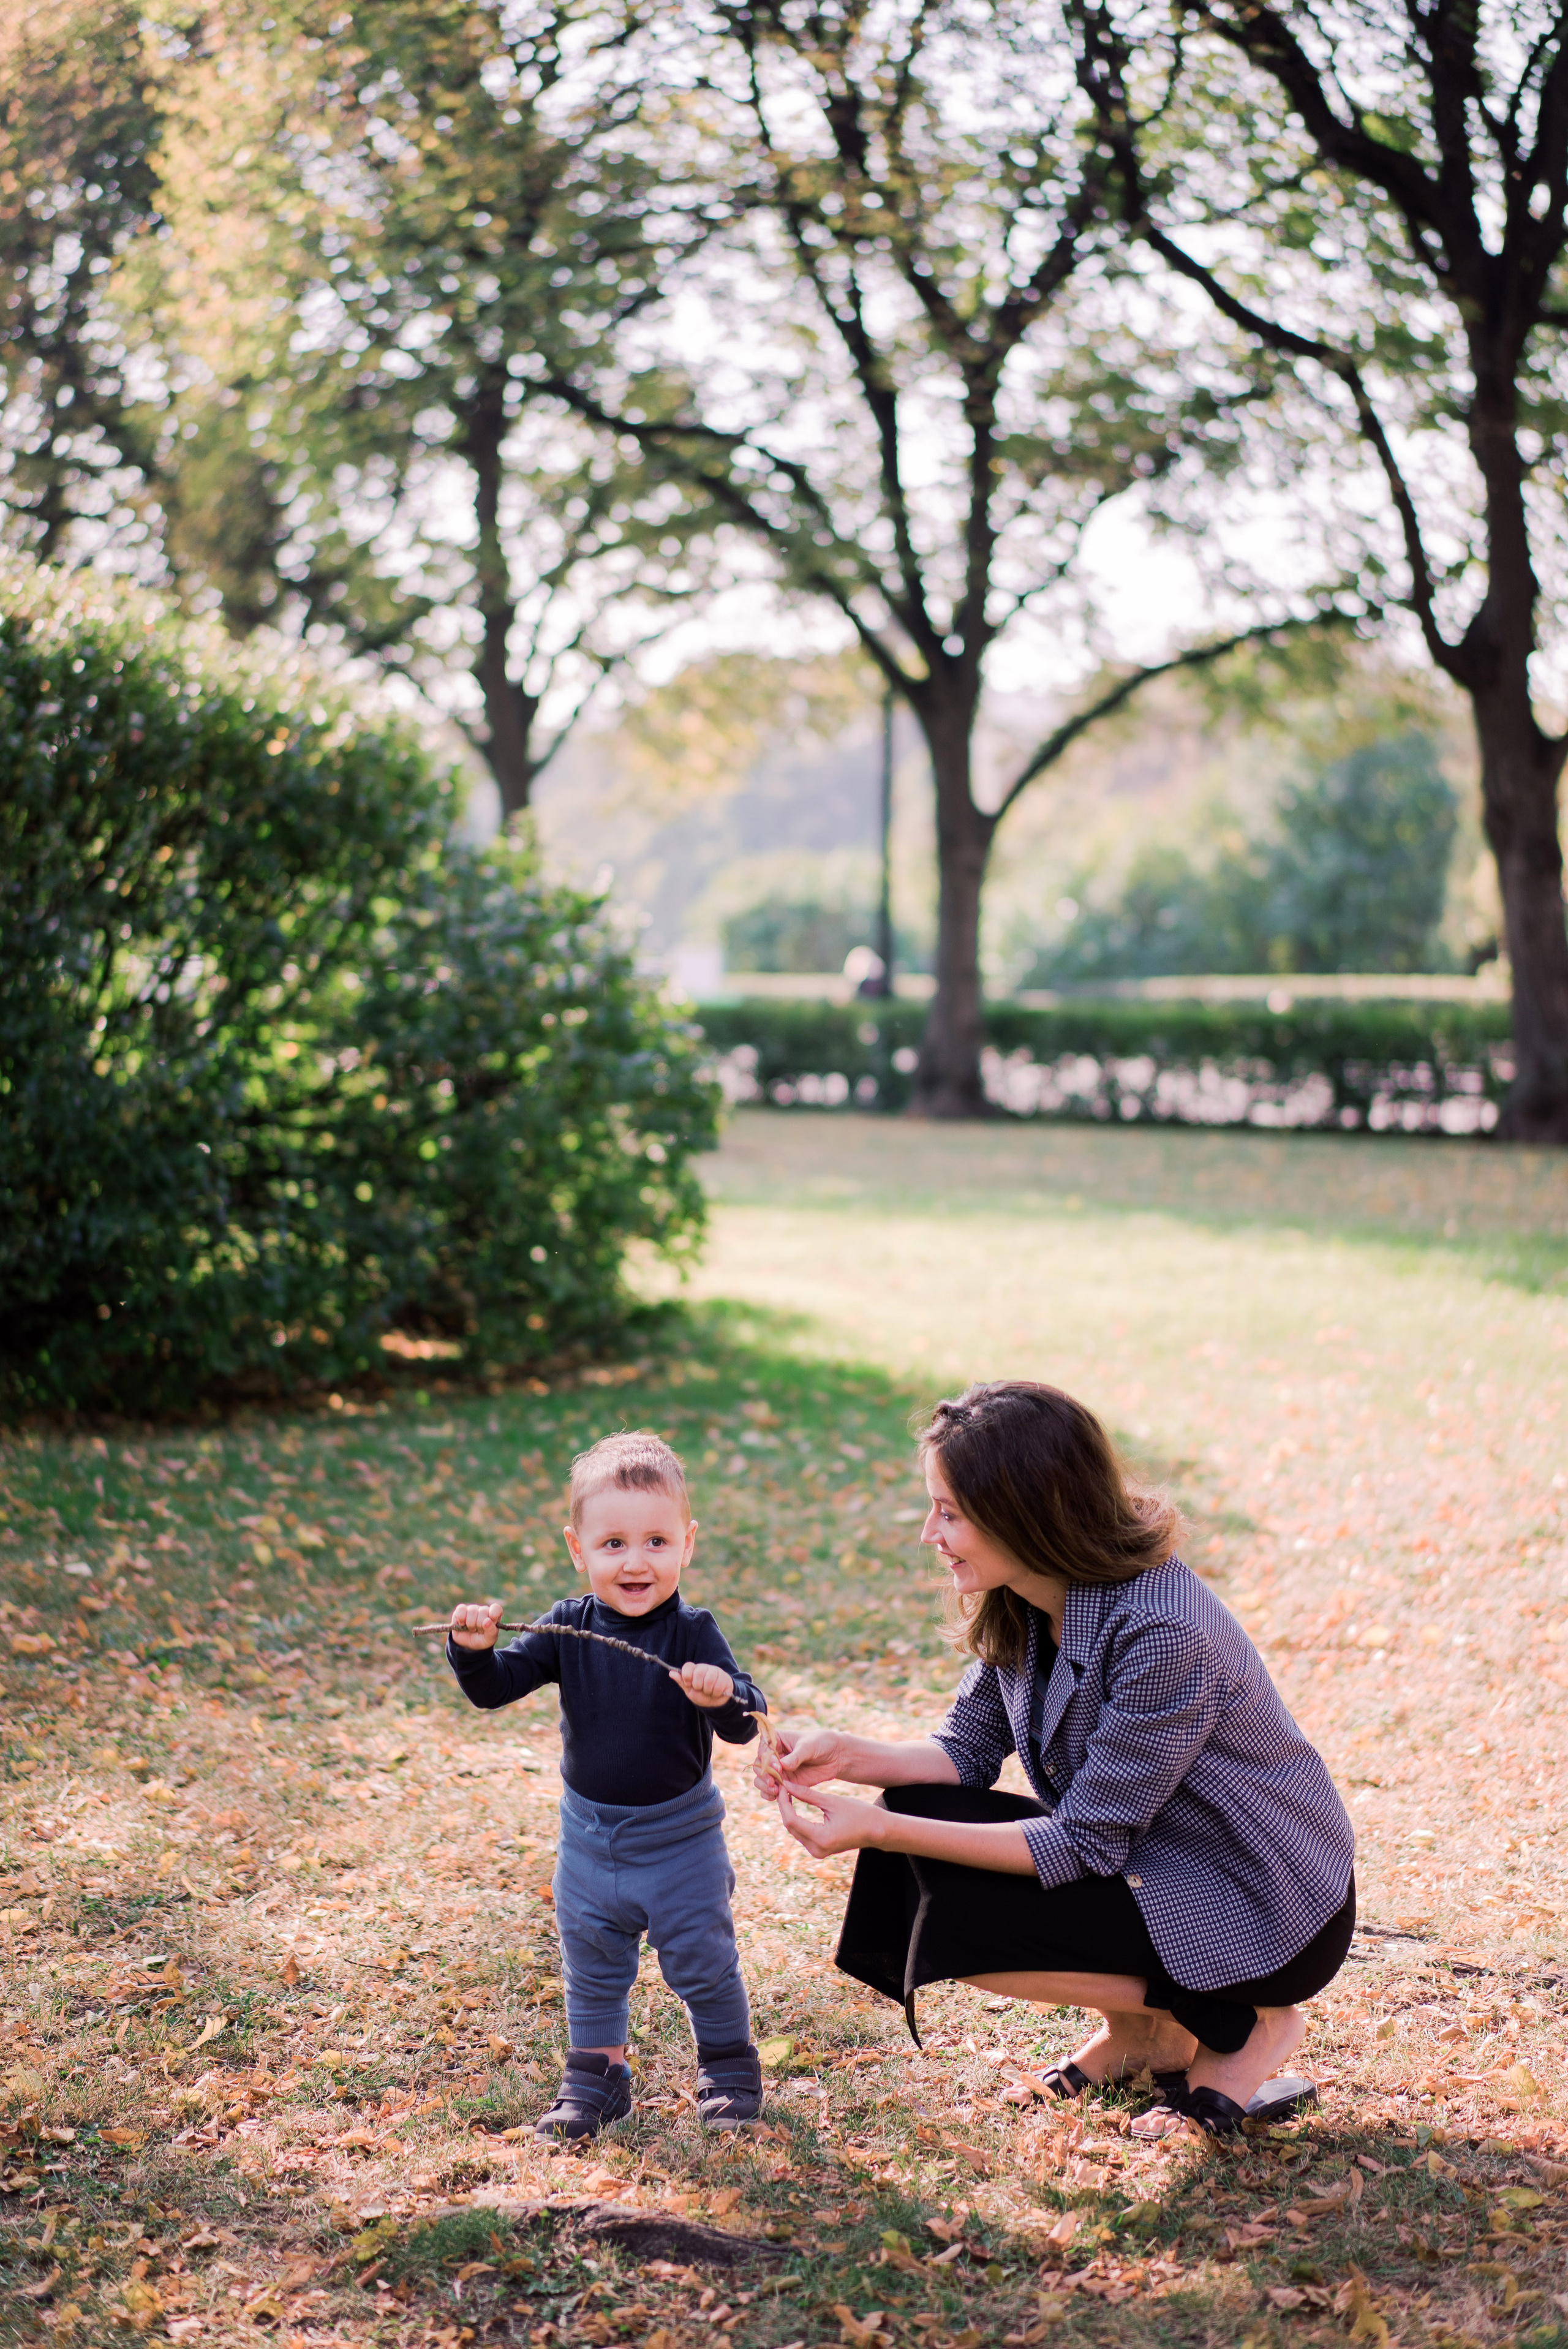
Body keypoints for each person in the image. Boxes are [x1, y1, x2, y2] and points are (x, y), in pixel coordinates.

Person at [756, 1382, 1355, 2138]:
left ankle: (1244, 2021)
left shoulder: (1161, 1630)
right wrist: (845, 1754)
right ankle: (1145, 2037)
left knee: (952, 1917)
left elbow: (1082, 1842)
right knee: (916, 1831)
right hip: (1154, 1861)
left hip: (1257, 1901)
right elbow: (964, 1752)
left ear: (1025, 1513)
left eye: (949, 1513)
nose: (927, 1534)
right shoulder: (1028, 1596)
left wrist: (879, 1830)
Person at [447, 1430, 767, 2142]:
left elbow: (747, 1724)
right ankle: (599, 2075)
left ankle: (726, 2062)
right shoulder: (567, 1625)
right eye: (613, 1543)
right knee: (591, 1962)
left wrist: (722, 1695)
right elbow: (497, 1688)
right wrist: (472, 1653)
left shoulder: (692, 1632)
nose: (635, 1561)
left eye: (656, 1541)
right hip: (589, 1843)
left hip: (679, 1842)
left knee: (702, 1959)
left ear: (687, 1544)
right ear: (578, 1548)